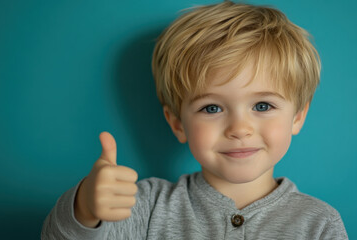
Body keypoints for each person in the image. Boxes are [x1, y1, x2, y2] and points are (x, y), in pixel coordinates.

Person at [41, 1, 348, 239]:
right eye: (212, 108)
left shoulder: (319, 223)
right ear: (176, 123)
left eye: (263, 105)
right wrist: (84, 207)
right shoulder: (143, 206)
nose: (240, 129)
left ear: (298, 116)